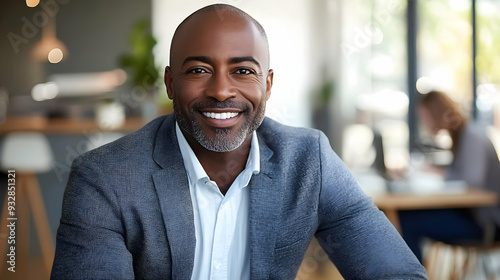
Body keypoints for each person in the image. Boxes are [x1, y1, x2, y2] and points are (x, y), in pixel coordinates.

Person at [51, 4, 427, 279]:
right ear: (170, 83)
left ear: (267, 84)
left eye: (243, 71)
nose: (220, 91)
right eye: (198, 70)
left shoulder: (309, 161)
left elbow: (396, 273)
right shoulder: (104, 177)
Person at [400, 90, 500, 262]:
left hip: (486, 223)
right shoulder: (463, 136)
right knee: (406, 215)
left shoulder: (473, 136)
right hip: (472, 215)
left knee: (407, 221)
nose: (424, 123)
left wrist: (438, 172)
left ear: (436, 113)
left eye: (425, 116)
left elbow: (472, 182)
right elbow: (462, 170)